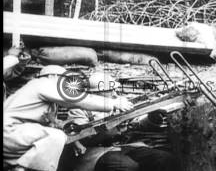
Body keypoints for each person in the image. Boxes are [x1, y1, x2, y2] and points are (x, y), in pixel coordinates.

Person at [3, 65, 133, 171]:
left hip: (14, 134)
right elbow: (77, 100)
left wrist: (74, 142)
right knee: (55, 137)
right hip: (10, 132)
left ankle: (20, 168)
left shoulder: (41, 98)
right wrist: (113, 103)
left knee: (55, 137)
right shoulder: (42, 84)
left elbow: (53, 124)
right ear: (53, 76)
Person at [61, 72, 181, 171]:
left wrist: (152, 118)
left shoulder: (119, 102)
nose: (115, 93)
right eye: (110, 90)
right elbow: (82, 138)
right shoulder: (79, 110)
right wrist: (115, 129)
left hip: (125, 146)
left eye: (114, 89)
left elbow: (137, 122)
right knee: (126, 167)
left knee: (165, 159)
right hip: (96, 152)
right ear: (96, 93)